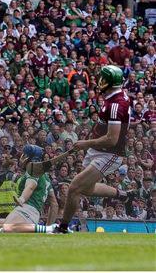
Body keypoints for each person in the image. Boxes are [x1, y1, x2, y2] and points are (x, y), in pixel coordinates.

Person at [52, 65, 137, 234]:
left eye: (103, 78)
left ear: (110, 82)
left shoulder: (116, 104)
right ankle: (122, 194)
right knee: (86, 188)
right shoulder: (113, 96)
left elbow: (112, 139)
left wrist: (86, 143)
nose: (100, 81)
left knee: (74, 187)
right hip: (98, 149)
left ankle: (62, 228)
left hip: (109, 154)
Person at [0, 145, 60, 233]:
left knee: (6, 229)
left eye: (23, 155)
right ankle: (47, 229)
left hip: (26, 209)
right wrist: (49, 227)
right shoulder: (45, 177)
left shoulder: (32, 171)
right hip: (30, 212)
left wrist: (22, 199)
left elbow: (30, 186)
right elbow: (54, 204)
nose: (21, 157)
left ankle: (45, 229)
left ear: (28, 157)